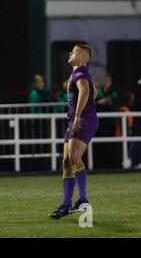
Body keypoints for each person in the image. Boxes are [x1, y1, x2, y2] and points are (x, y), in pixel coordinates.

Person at [49, 44, 99, 219]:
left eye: (75, 51)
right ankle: (66, 205)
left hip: (82, 120)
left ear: (83, 58)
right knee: (66, 162)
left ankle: (83, 200)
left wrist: (77, 115)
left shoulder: (80, 73)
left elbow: (85, 90)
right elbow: (93, 93)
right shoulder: (79, 73)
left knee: (73, 158)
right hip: (77, 119)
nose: (71, 53)